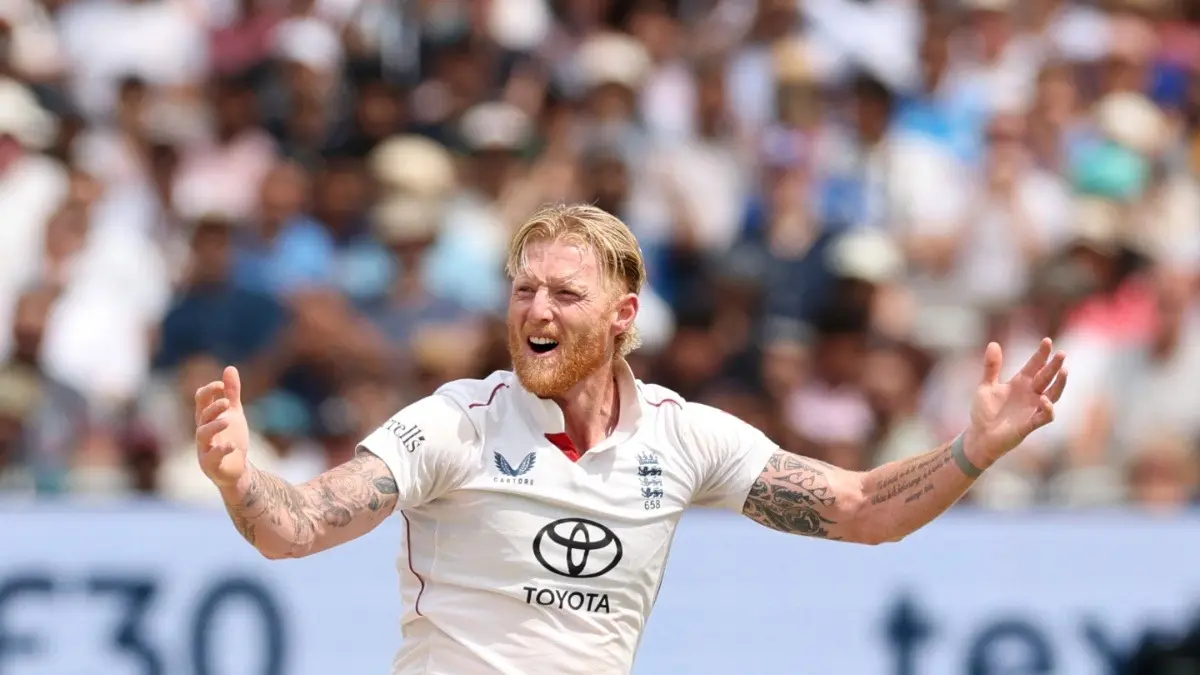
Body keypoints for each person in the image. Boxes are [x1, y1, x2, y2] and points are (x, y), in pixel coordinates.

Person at [193, 203, 1068, 675]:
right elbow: (297, 526)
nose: (536, 309)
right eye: (523, 289)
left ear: (622, 316)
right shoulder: (454, 422)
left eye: (564, 295)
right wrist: (240, 478)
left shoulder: (683, 437)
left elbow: (862, 508)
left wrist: (972, 449)